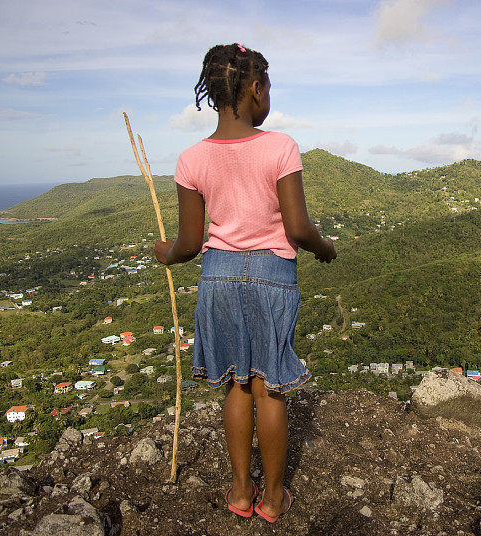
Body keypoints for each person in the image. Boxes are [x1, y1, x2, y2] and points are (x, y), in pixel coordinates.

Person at [154, 43, 336, 523]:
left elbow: (189, 243)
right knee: (269, 387)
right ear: (255, 89)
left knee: (235, 385)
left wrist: (165, 254)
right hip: (272, 277)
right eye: (268, 87)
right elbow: (297, 228)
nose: (269, 95)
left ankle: (240, 492)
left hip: (218, 277)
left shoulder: (191, 159)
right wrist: (324, 247)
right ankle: (274, 499)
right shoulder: (280, 147)